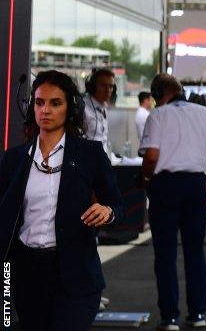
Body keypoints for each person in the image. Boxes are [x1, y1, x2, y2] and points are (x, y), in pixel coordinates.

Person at [0, 70, 123, 331]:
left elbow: (117, 205)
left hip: (76, 274)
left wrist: (107, 211)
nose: (45, 110)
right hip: (25, 274)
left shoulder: (89, 154)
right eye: (39, 102)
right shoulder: (14, 159)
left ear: (70, 108)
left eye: (55, 103)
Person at [140, 74, 206, 330]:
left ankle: (170, 317)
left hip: (165, 186)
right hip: (195, 185)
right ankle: (198, 313)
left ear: (159, 94)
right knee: (194, 251)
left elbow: (151, 156)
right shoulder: (205, 114)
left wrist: (145, 177)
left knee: (165, 253)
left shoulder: (158, 115)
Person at [83, 67, 116, 160]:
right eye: (103, 85)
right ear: (92, 87)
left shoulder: (103, 107)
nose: (108, 90)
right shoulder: (83, 108)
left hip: (104, 160)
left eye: (111, 86)